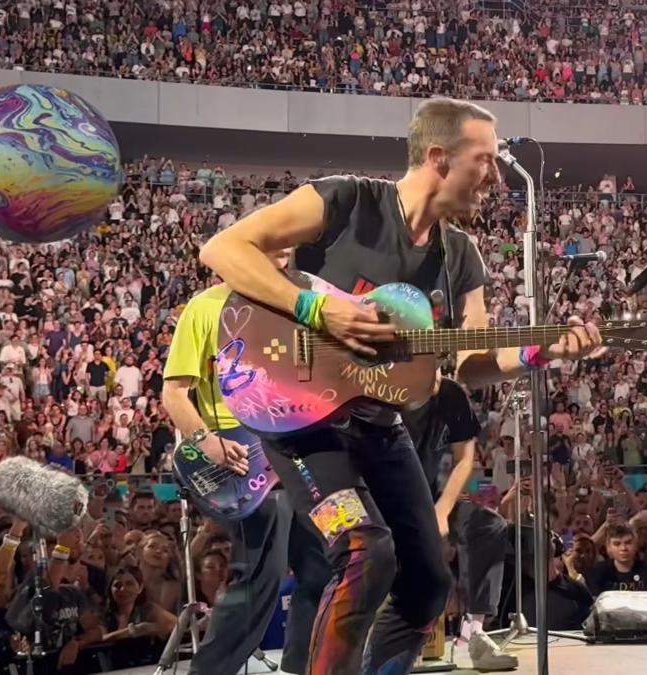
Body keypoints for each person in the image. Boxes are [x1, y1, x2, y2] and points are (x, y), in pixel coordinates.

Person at [197, 97, 601, 672]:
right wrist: (315, 308)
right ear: (438, 156)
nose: (494, 176)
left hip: (381, 426)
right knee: (364, 551)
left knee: (429, 583)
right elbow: (223, 247)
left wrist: (541, 351)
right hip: (299, 425)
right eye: (485, 160)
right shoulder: (345, 200)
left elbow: (470, 361)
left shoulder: (459, 255)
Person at [161, 247, 329, 675]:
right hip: (245, 460)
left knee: (324, 567)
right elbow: (174, 393)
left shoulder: (300, 303)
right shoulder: (205, 307)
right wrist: (207, 441)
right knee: (260, 578)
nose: (283, 253)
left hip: (302, 454)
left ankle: (300, 667)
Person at [400, 375, 517, 671]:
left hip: (437, 496)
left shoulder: (450, 394)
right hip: (390, 494)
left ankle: (474, 633)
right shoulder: (382, 390)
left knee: (489, 525)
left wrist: (442, 509)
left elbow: (465, 459)